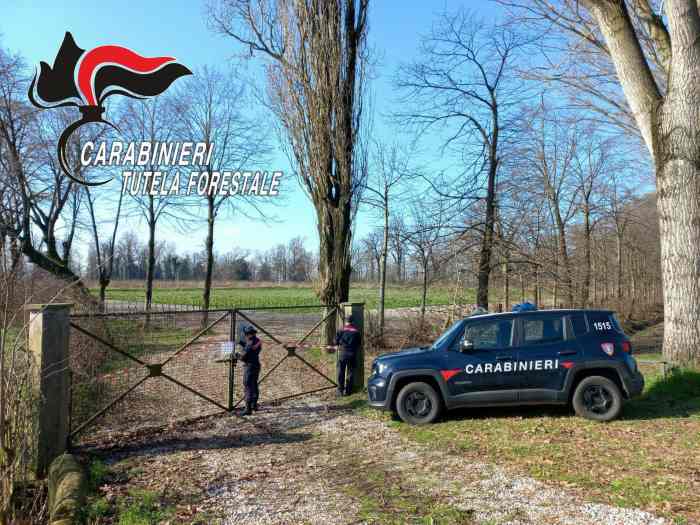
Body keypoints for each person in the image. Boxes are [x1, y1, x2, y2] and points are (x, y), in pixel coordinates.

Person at [237, 325, 262, 416]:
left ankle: (247, 409)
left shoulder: (250, 343)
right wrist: (241, 343)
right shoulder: (257, 340)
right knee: (254, 385)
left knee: (247, 386)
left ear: (248, 335)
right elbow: (251, 348)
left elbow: (244, 357)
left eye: (245, 334)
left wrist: (236, 355)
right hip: (256, 365)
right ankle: (254, 405)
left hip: (249, 367)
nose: (244, 336)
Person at [335, 316, 361, 396]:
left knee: (341, 372)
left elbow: (336, 342)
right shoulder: (356, 332)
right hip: (352, 354)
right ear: (352, 322)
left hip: (343, 353)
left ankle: (340, 391)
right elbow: (359, 344)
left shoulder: (341, 330)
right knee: (350, 372)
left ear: (345, 322)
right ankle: (349, 391)